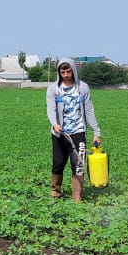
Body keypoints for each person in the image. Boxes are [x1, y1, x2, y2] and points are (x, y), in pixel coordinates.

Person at [46, 57, 101, 202]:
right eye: (62, 72)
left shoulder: (82, 88)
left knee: (78, 165)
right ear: (59, 72)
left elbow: (89, 111)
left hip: (78, 131)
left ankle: (77, 198)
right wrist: (54, 123)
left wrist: (97, 132)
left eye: (68, 71)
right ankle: (55, 192)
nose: (65, 75)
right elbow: (50, 109)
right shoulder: (53, 89)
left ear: (73, 70)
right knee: (58, 162)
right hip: (60, 132)